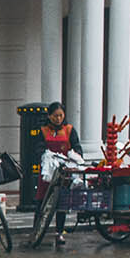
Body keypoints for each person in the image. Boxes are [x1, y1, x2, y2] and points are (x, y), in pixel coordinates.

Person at [39, 102, 82, 248]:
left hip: (65, 171)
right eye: (55, 116)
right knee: (42, 201)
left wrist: (74, 157)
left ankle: (59, 232)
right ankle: (38, 230)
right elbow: (38, 148)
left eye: (60, 116)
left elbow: (77, 147)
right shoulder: (43, 130)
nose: (58, 119)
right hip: (48, 172)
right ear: (49, 116)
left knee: (61, 202)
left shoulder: (69, 130)